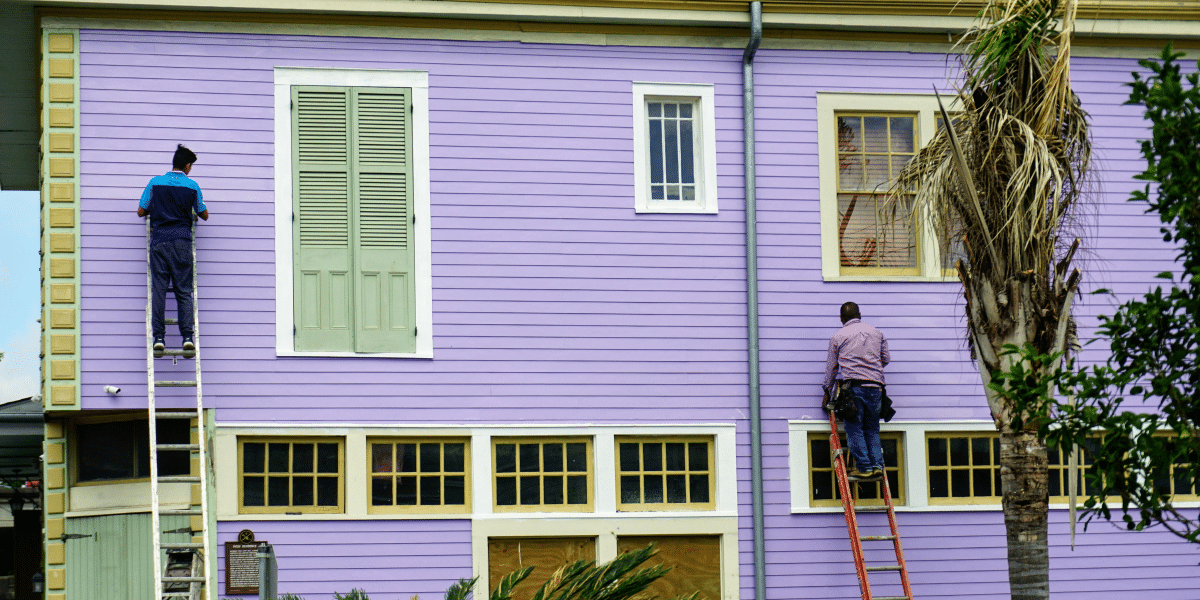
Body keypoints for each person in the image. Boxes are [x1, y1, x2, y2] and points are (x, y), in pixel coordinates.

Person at [137, 144, 209, 354]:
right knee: (184, 291)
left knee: (159, 291)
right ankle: (187, 336)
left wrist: (158, 208)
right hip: (182, 242)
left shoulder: (155, 182)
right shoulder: (192, 186)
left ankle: (159, 338)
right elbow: (203, 214)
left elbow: (141, 211)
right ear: (187, 166)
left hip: (159, 241)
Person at [822, 302, 890, 480]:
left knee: (855, 429)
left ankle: (865, 467)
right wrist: (871, 368)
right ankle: (877, 466)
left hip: (853, 388)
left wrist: (827, 391)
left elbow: (832, 369)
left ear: (841, 318)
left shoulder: (838, 337)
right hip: (876, 388)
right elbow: (886, 359)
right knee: (872, 428)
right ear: (859, 314)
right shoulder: (877, 333)